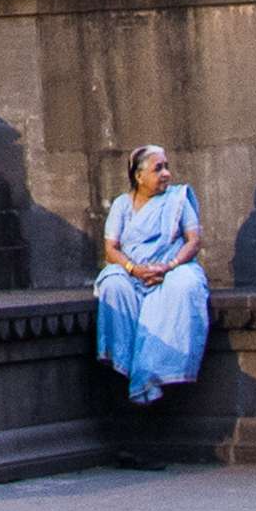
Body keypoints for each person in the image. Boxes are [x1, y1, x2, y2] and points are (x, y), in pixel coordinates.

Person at [95, 143, 210, 406]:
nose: (167, 174)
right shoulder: (122, 205)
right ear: (139, 176)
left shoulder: (177, 198)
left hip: (171, 269)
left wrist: (168, 266)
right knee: (112, 283)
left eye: (167, 167)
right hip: (133, 272)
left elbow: (193, 240)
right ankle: (123, 363)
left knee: (186, 286)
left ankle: (155, 371)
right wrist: (134, 269)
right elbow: (111, 248)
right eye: (159, 168)